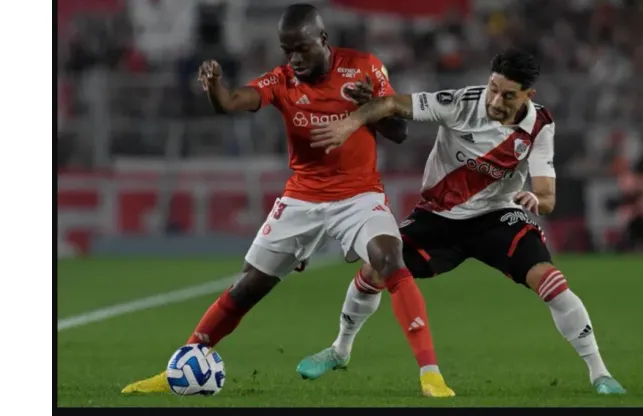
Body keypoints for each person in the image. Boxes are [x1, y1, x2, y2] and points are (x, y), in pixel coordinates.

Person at [121, 3, 454, 398]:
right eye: (287, 50)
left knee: (388, 258)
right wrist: (214, 88)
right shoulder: (281, 80)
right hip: (302, 198)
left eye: (301, 49)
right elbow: (231, 102)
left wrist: (371, 110)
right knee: (248, 287)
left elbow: (398, 132)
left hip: (358, 195)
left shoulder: (365, 66)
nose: (294, 58)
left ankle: (430, 374)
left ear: (323, 40)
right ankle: (183, 363)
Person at [297, 48, 626, 395]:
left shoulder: (541, 126)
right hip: (438, 217)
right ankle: (340, 349)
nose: (496, 100)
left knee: (550, 279)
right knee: (374, 270)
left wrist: (534, 200)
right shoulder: (461, 102)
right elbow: (394, 105)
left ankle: (599, 373)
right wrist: (351, 122)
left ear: (529, 96)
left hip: (496, 216)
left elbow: (547, 196)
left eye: (508, 95)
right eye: (493, 88)